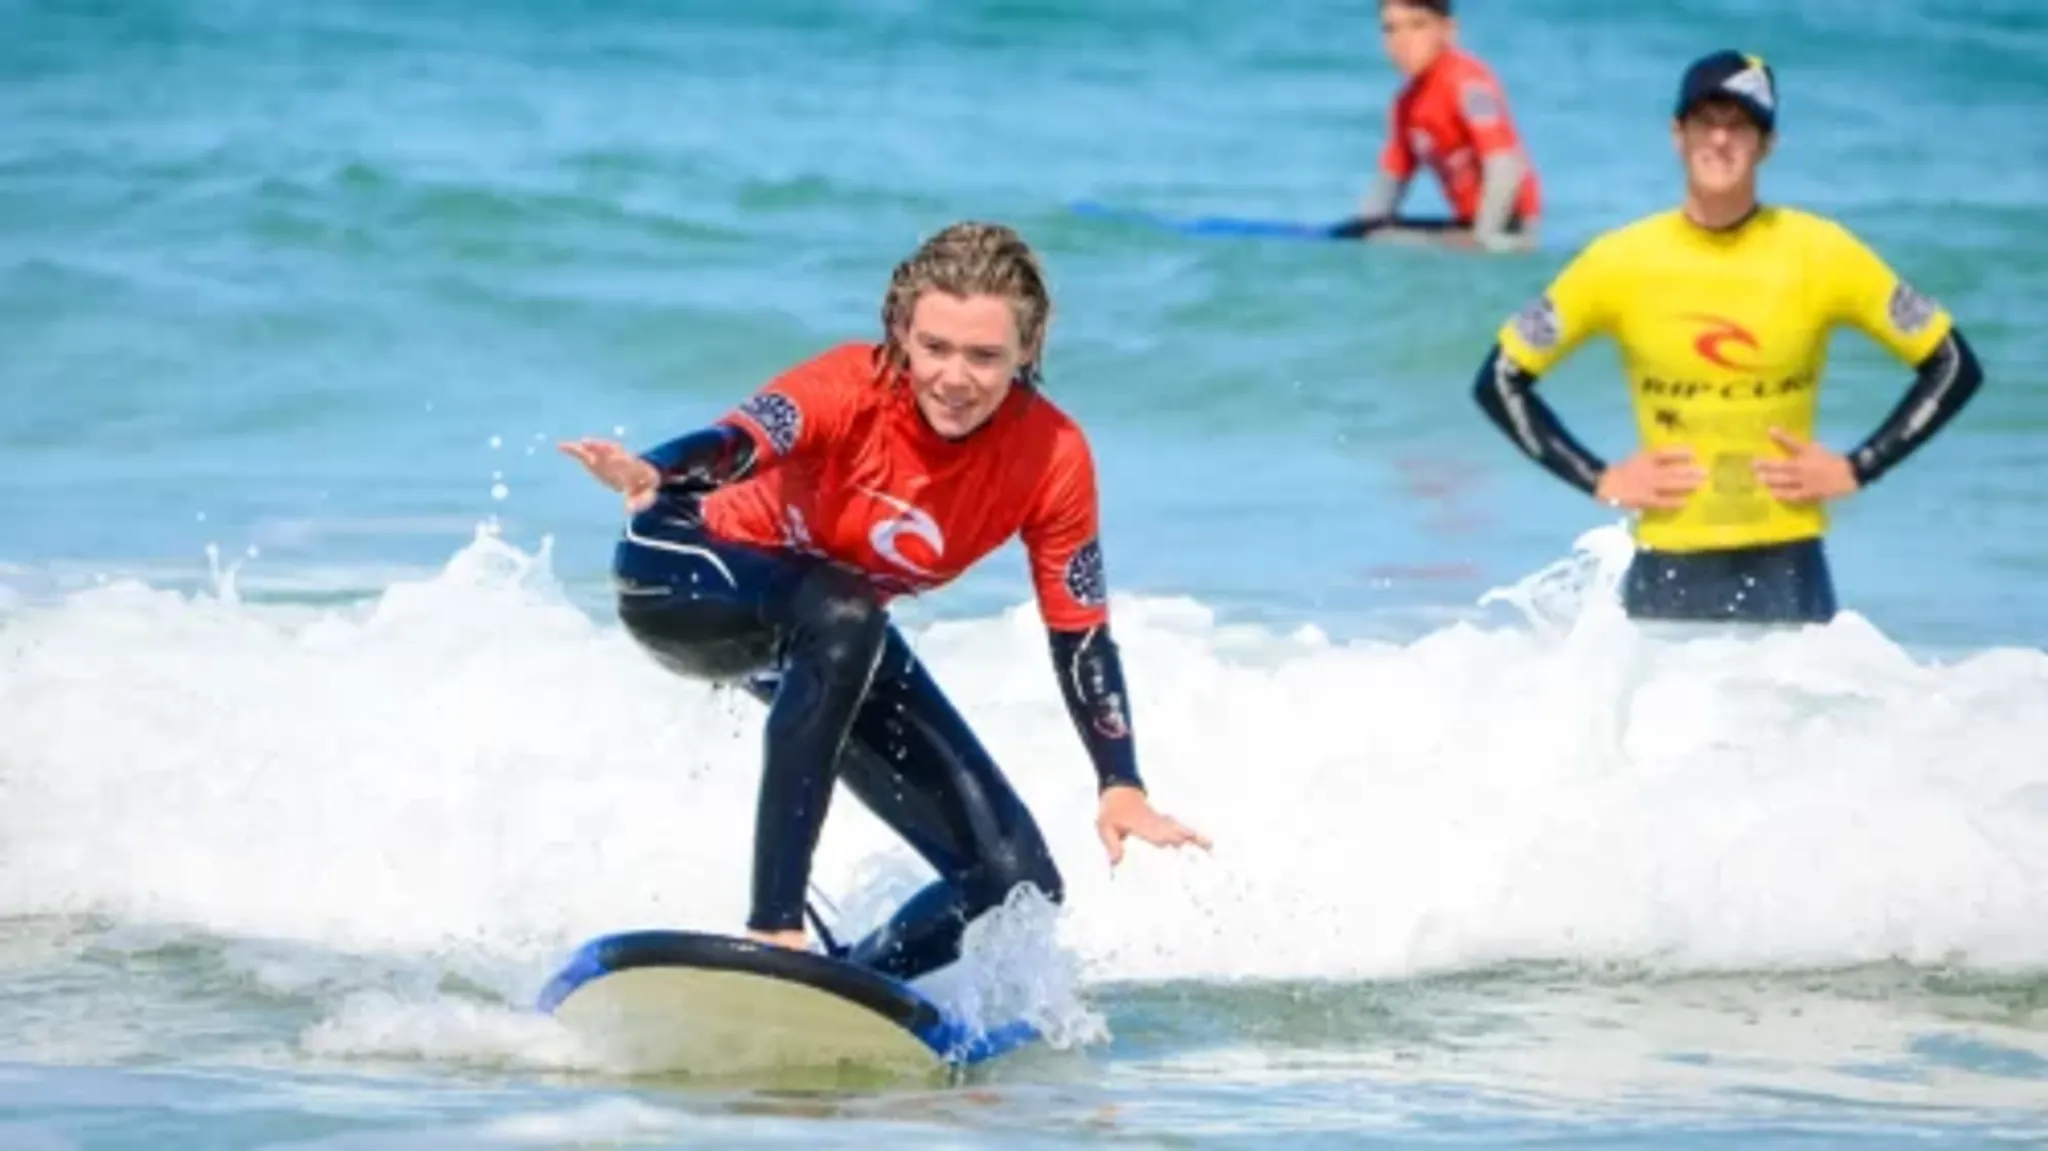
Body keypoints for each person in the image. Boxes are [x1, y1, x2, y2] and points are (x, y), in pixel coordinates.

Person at [560, 221, 1210, 983]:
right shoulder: (849, 386)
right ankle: (776, 930)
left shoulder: (1051, 457)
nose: (955, 377)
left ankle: (852, 990)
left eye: (985, 355)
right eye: (934, 347)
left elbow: (1081, 631)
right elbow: (739, 439)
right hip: (686, 571)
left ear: (1027, 352)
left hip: (834, 633)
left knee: (1016, 886)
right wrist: (657, 467)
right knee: (845, 610)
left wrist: (1120, 779)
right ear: (901, 333)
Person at [1471, 51, 1986, 625]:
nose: (1720, 140)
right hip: (1666, 570)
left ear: (1767, 143)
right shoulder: (1619, 262)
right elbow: (1500, 378)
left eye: (1739, 124)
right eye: (1705, 121)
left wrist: (1858, 466)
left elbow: (1953, 363)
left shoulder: (1822, 253)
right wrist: (1602, 478)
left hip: (1788, 572)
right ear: (1677, 133)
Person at [1342, 0, 1542, 252]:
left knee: (1382, 238)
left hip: (1509, 227)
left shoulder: (1467, 83)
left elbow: (1506, 166)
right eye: (1390, 29)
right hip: (1468, 225)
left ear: (1448, 31)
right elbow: (1387, 187)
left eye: (1417, 26)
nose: (1402, 41)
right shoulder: (1406, 104)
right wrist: (1356, 235)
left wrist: (1483, 238)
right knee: (1363, 233)